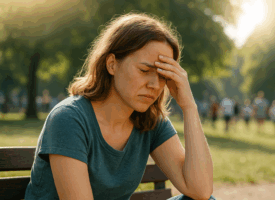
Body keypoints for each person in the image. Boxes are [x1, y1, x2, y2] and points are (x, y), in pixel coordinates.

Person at [24, 13, 215, 200]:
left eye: (163, 76)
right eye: (144, 70)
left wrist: (189, 106)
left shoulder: (151, 122)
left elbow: (200, 191)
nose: (155, 85)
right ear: (112, 64)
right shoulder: (69, 119)